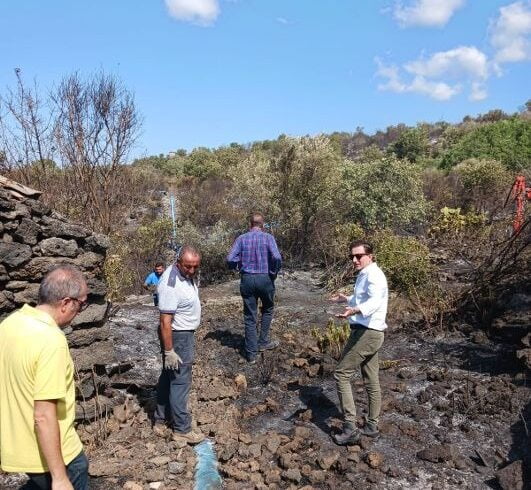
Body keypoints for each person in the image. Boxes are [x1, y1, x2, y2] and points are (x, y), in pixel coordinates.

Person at [0, 265, 90, 490]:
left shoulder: (10, 324)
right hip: (57, 456)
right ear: (66, 303)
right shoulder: (51, 340)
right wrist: (59, 477)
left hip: (19, 449)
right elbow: (43, 415)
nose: (80, 310)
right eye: (81, 304)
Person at [329, 240, 388, 445]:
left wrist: (354, 310)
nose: (354, 260)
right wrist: (346, 299)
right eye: (352, 257)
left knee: (341, 374)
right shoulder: (367, 274)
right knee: (371, 378)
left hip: (366, 333)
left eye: (359, 256)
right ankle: (371, 425)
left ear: (370, 255)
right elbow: (363, 297)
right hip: (371, 332)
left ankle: (350, 427)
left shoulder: (374, 275)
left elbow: (374, 300)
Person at [153, 245, 204, 444]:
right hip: (178, 335)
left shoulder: (183, 276)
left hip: (181, 333)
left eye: (195, 267)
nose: (192, 271)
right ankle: (182, 428)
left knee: (168, 377)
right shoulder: (171, 284)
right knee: (181, 381)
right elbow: (165, 320)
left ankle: (160, 419)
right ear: (178, 263)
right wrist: (169, 351)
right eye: (188, 267)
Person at [227, 212, 282, 364]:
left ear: (249, 224)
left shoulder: (242, 238)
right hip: (265, 278)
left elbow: (230, 259)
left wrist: (236, 266)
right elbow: (277, 257)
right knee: (268, 308)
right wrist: (273, 272)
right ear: (262, 225)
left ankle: (251, 355)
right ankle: (263, 342)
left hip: (247, 279)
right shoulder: (268, 238)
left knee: (250, 316)